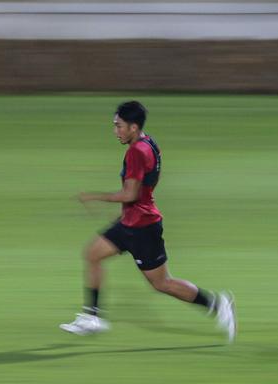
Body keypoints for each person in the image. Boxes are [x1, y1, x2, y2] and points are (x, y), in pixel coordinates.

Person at [60, 101, 237, 341]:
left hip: (143, 228)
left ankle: (217, 304)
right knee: (92, 254)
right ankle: (92, 318)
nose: (115, 131)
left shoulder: (135, 152)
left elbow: (130, 194)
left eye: (119, 126)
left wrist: (94, 196)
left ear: (133, 127)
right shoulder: (148, 142)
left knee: (162, 283)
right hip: (130, 222)